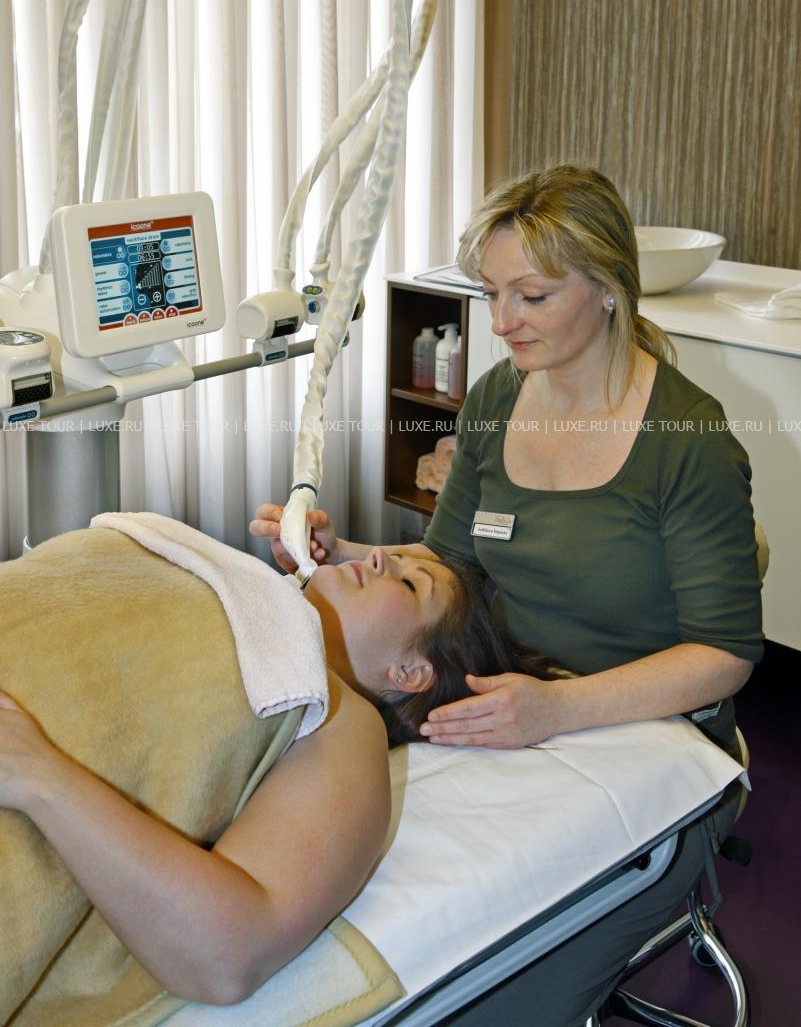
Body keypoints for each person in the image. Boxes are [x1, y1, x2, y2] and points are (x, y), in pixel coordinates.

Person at [252, 164, 764, 1027]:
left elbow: (724, 655)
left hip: (646, 730)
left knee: (499, 946)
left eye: (531, 296)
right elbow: (452, 560)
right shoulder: (497, 397)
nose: (500, 322)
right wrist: (347, 554)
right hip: (502, 691)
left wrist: (557, 710)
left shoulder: (687, 439)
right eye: (491, 294)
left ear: (607, 288)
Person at [0, 522, 566, 1026]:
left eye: (411, 584)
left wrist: (41, 776)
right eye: (396, 556)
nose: (377, 556)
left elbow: (227, 956)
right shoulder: (238, 590)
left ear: (411, 672)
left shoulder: (341, 717)